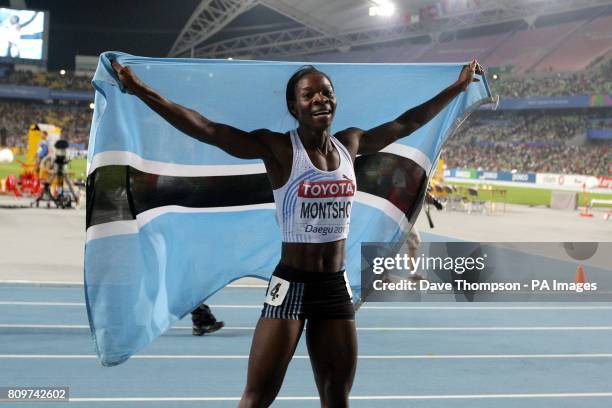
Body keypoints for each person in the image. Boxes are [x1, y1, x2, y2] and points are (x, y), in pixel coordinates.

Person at [111, 58, 483, 407]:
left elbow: (406, 123)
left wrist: (457, 87)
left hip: (334, 287)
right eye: (309, 94)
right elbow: (206, 129)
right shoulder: (278, 148)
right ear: (294, 107)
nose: (320, 98)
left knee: (337, 396)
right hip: (291, 285)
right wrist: (141, 89)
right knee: (258, 397)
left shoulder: (350, 144)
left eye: (326, 92)